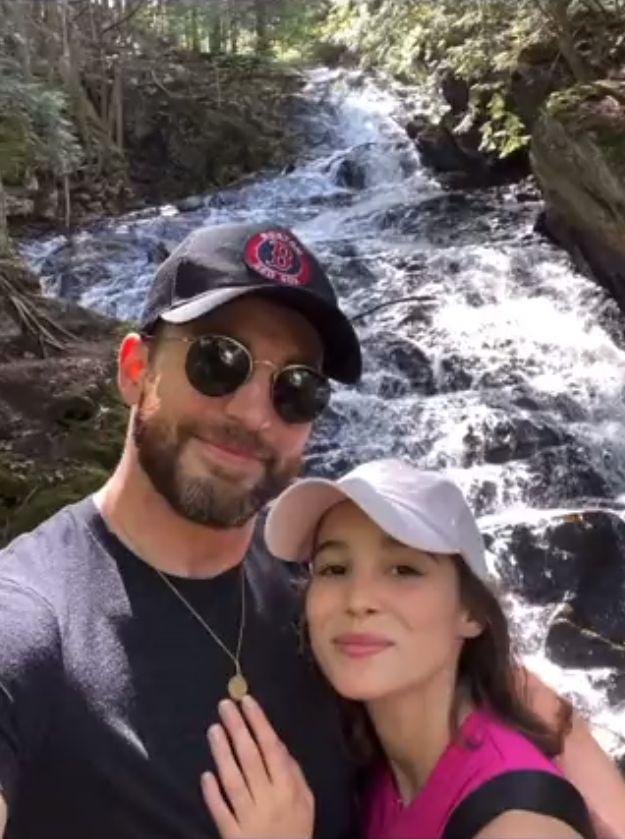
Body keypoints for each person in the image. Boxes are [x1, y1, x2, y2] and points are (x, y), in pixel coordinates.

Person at [0, 222, 363, 839]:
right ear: (135, 369)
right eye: (218, 361)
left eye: (295, 388)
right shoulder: (30, 625)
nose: (253, 414)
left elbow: (498, 729)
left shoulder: (329, 603)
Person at [202, 459, 625, 839]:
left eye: (403, 568)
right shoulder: (380, 766)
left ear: (472, 614)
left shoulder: (519, 825)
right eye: (334, 568)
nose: (358, 599)